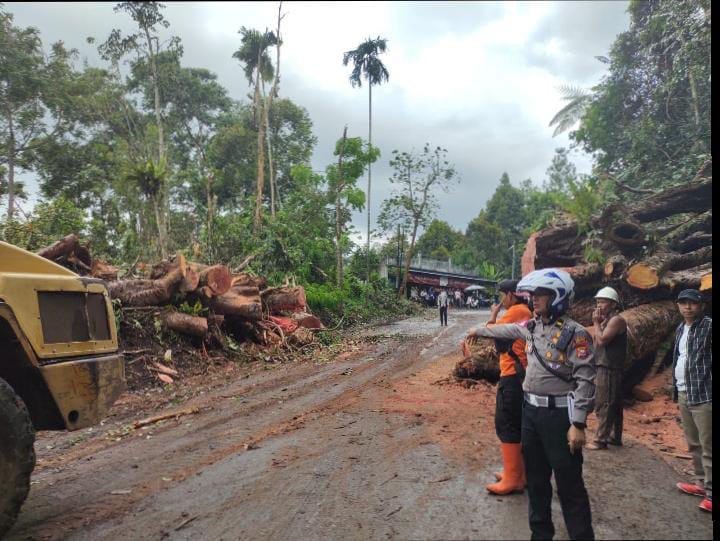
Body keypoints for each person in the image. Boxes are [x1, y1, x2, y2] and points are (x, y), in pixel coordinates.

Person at [466, 269, 595, 540]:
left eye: (541, 295)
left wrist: (579, 423)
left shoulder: (576, 334)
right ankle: (540, 535)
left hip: (560, 416)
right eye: (533, 295)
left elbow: (585, 380)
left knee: (569, 486)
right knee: (536, 483)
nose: (534, 300)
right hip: (531, 414)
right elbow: (510, 328)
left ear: (558, 296)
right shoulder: (534, 327)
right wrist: (478, 330)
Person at [478, 279, 533, 495]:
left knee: (507, 423)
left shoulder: (517, 311)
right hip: (519, 375)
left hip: (513, 375)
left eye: (503, 295)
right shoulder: (524, 311)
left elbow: (490, 332)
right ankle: (520, 473)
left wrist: (492, 316)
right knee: (517, 424)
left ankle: (513, 479)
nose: (501, 300)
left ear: (511, 294)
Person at [672, 289, 712, 514]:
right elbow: (681, 358)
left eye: (692, 304)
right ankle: (700, 484)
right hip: (684, 391)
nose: (688, 307)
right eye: (683, 303)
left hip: (705, 392)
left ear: (701, 306)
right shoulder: (680, 328)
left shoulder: (709, 326)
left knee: (709, 446)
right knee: (694, 443)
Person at [587, 287, 627, 451]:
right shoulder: (607, 321)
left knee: (605, 403)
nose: (599, 305)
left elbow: (602, 340)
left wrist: (596, 323)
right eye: (597, 302)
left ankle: (600, 440)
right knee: (615, 403)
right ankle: (615, 436)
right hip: (605, 365)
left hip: (609, 367)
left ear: (612, 304)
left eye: (602, 302)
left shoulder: (616, 320)